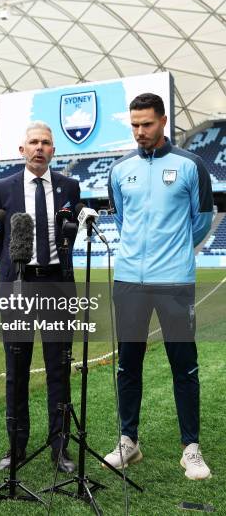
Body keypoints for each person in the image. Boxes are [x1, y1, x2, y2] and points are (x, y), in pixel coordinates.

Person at [105, 93, 213, 480]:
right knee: (127, 365)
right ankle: (128, 442)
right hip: (129, 281)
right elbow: (121, 219)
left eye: (146, 124)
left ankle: (191, 449)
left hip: (175, 282)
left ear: (163, 121)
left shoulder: (191, 165)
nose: (140, 132)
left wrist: (174, 252)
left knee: (184, 366)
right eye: (134, 125)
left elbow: (201, 220)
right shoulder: (119, 169)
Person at [0, 121, 81, 473]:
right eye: (33, 142)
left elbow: (71, 233)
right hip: (18, 285)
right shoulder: (3, 187)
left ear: (54, 150)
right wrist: (16, 270)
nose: (40, 147)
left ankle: (60, 448)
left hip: (58, 285)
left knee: (59, 369)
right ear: (21, 149)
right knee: (17, 371)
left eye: (46, 143)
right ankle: (16, 447)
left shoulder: (69, 186)